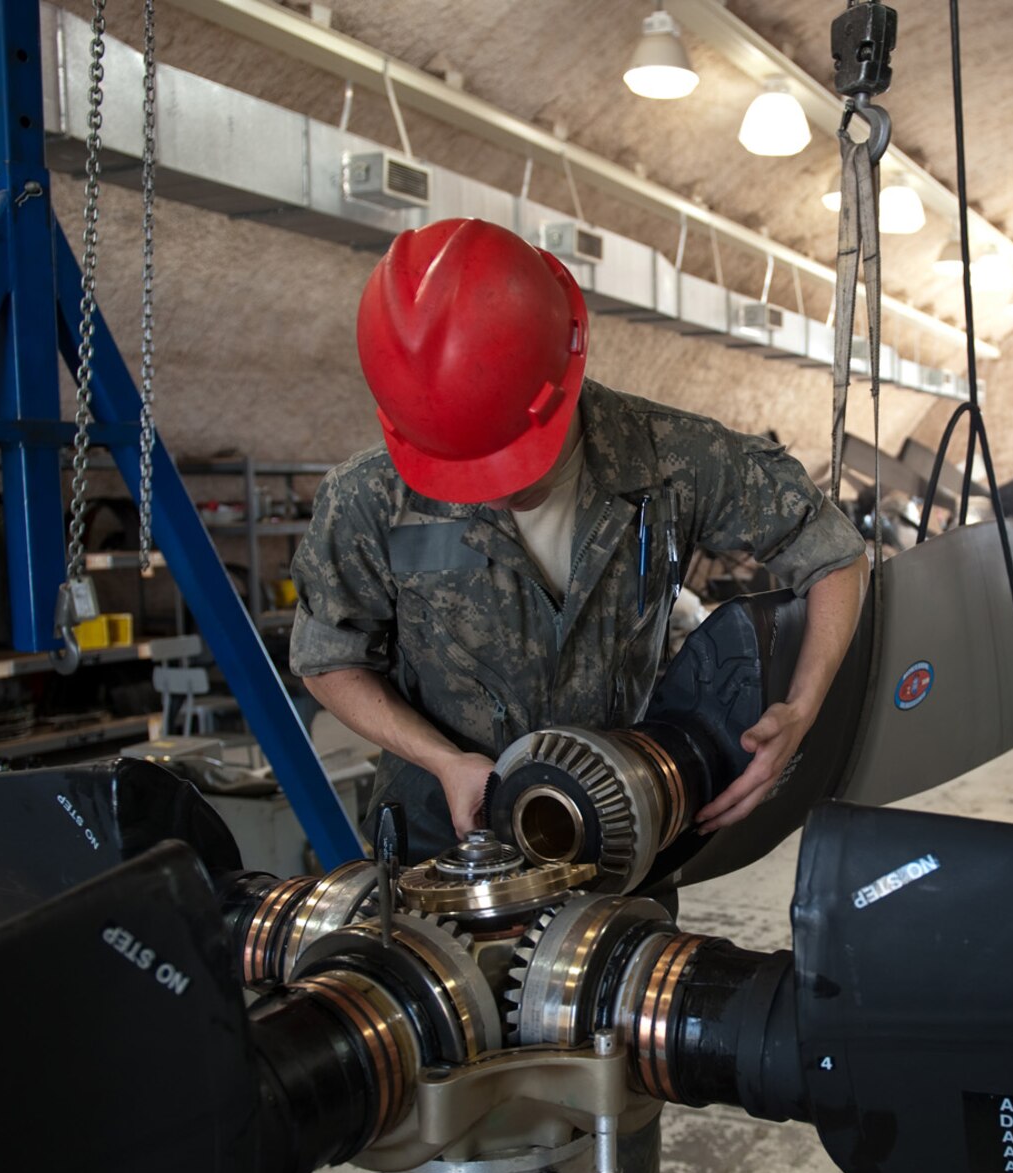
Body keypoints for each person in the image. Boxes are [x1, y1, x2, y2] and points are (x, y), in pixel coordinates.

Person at [290, 218, 869, 858]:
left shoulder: (673, 459)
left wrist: (802, 707)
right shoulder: (369, 497)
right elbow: (328, 660)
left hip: (621, 827)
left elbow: (834, 553)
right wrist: (445, 760)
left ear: (560, 374)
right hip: (444, 840)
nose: (492, 492)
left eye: (509, 460)